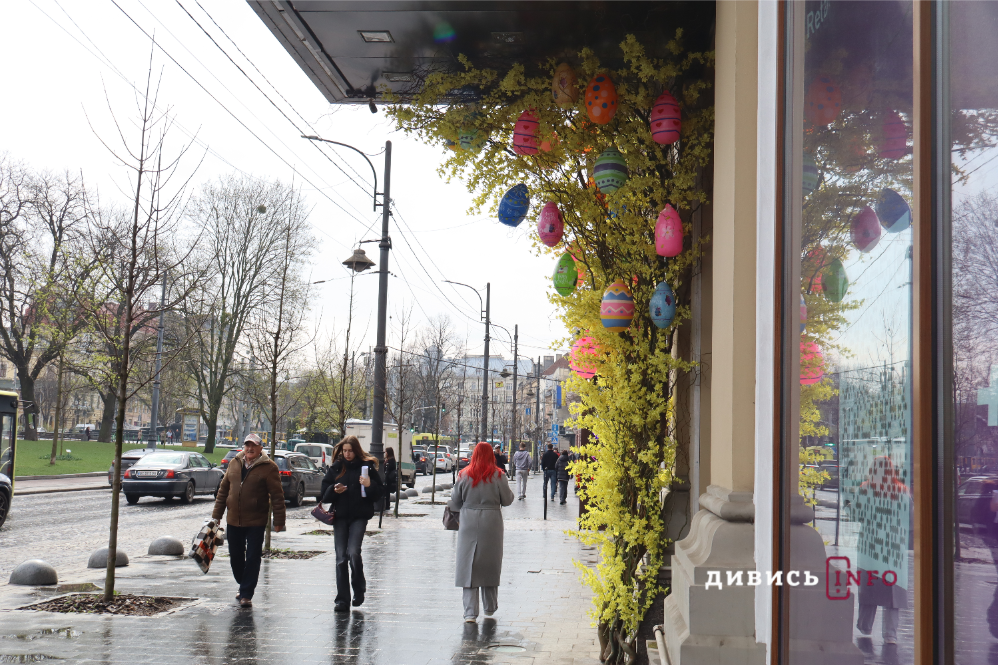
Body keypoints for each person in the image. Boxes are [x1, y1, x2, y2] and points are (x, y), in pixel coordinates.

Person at [211, 432, 286, 608]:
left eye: (253, 445)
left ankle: (246, 594)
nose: (250, 448)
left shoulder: (269, 467)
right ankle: (243, 581)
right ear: (244, 447)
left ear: (260, 448)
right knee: (236, 557)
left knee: (252, 557)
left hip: (256, 520)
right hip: (233, 519)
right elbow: (223, 491)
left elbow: (277, 495)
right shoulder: (234, 463)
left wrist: (279, 520)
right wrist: (216, 516)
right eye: (247, 445)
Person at [448, 441, 514, 623]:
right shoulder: (498, 475)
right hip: (491, 522)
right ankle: (490, 607)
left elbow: (455, 500)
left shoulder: (464, 474)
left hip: (468, 521)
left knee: (467, 563)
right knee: (490, 563)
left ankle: (470, 612)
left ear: (474, 455)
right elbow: (507, 500)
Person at [320, 435, 384, 612]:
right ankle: (342, 599)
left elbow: (379, 494)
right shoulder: (336, 467)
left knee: (354, 553)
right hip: (340, 517)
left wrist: (369, 484)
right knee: (341, 557)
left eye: (350, 451)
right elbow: (323, 495)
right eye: (344, 451)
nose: (347, 454)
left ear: (356, 450)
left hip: (359, 516)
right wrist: (334, 490)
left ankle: (359, 588)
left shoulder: (366, 467)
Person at [384, 447, 398, 511]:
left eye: (386, 452)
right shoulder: (390, 459)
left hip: (388, 478)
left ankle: (387, 505)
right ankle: (387, 505)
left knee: (386, 492)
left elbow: (389, 469)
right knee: (386, 492)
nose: (385, 453)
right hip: (388, 478)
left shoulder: (391, 460)